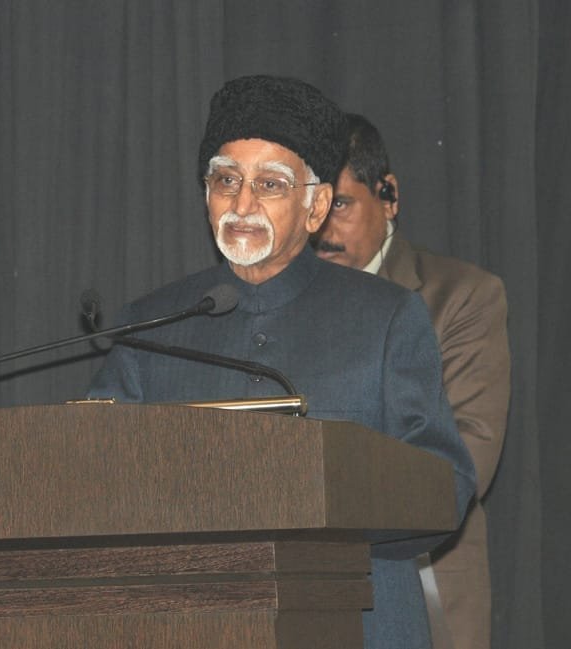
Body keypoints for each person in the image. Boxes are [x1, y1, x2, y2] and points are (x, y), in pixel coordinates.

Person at [88, 75, 475, 649]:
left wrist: (314, 492)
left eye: (269, 184)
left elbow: (446, 487)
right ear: (206, 192)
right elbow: (89, 477)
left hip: (358, 624)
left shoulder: (386, 317)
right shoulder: (150, 324)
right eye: (226, 180)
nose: (242, 204)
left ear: (316, 204)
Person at [312, 113, 510, 649]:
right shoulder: (289, 301)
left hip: (424, 585)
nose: (324, 231)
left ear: (389, 195)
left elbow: (466, 457)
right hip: (305, 589)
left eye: (342, 206)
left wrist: (319, 497)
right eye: (314, 209)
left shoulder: (461, 296)